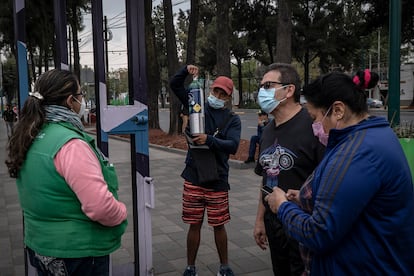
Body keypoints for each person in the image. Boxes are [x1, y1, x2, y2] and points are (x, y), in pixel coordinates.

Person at [265, 69, 414, 275]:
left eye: (315, 117)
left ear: (338, 111)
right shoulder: (374, 134)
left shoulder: (355, 153)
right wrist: (306, 198)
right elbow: (353, 200)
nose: (314, 126)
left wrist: (282, 207)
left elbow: (318, 233)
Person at [5, 69, 128, 276]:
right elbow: (99, 206)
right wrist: (121, 212)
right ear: (71, 101)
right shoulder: (71, 144)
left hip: (41, 246)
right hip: (77, 252)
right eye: (81, 95)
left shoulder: (31, 135)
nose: (84, 101)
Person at [253, 63, 325, 276]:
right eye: (261, 86)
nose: (261, 92)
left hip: (303, 221)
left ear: (289, 89)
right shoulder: (267, 131)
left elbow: (328, 179)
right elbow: (266, 179)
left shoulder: (313, 126)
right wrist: (260, 220)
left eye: (267, 85)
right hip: (274, 223)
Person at [170, 64, 241, 276]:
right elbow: (175, 85)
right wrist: (185, 71)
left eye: (223, 93)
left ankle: (224, 267)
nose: (217, 95)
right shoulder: (197, 104)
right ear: (210, 89)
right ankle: (190, 267)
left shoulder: (232, 119)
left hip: (218, 178)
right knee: (194, 224)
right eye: (215, 90)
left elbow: (234, 146)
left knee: (219, 225)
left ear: (228, 97)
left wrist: (209, 140)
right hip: (194, 175)